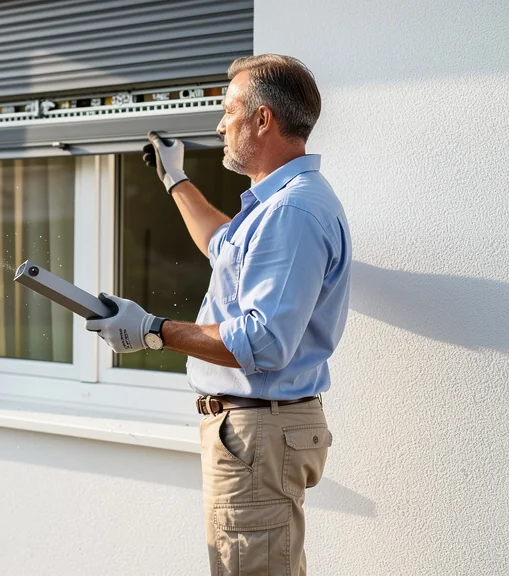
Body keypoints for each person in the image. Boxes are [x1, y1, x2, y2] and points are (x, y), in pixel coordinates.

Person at [86, 54, 351, 575]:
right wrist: (175, 179)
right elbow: (221, 243)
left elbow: (264, 342)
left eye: (229, 111)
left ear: (262, 119)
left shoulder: (291, 212)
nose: (219, 124)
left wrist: (153, 331)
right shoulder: (277, 207)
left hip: (258, 433)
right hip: (257, 434)